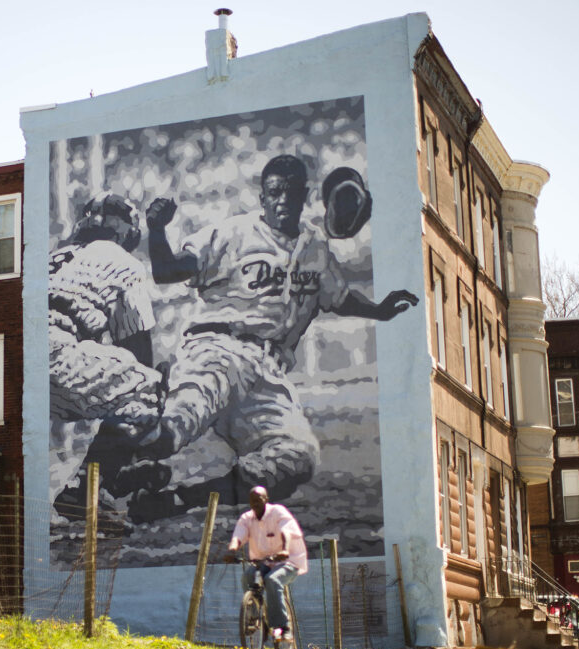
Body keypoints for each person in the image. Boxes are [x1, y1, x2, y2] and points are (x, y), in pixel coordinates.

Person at [132, 154, 418, 520]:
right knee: (180, 421)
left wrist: (380, 310)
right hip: (219, 347)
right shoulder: (234, 233)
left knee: (297, 458)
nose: (282, 199)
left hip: (268, 371)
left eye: (291, 192)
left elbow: (340, 298)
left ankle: (177, 498)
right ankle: (117, 470)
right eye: (274, 192)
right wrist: (156, 230)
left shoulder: (315, 248)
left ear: (304, 196)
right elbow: (168, 271)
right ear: (262, 197)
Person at [49, 192, 168, 513]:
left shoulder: (55, 255)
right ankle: (86, 488)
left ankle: (107, 479)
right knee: (146, 388)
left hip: (17, 355)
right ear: (127, 231)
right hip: (54, 348)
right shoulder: (120, 259)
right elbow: (137, 345)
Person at [224, 486, 307, 642]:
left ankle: (283, 628)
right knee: (248, 577)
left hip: (289, 560)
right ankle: (254, 618)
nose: (255, 503)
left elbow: (286, 532)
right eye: (252, 501)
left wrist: (284, 550)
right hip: (263, 561)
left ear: (266, 499)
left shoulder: (278, 512)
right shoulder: (247, 518)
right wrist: (232, 550)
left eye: (259, 500)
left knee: (272, 580)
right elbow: (238, 536)